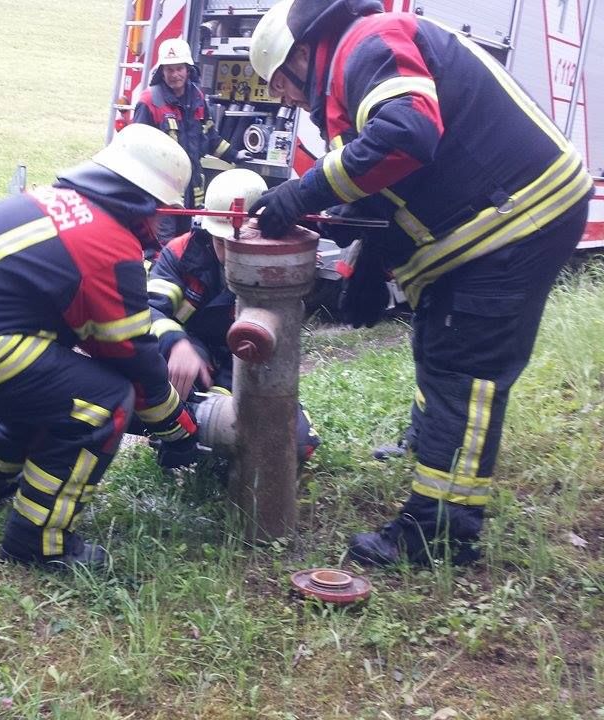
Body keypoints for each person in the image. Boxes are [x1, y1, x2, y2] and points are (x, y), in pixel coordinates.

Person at [247, 0, 594, 566]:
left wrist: (301, 192)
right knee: (437, 338)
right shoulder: (354, 75)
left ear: (302, 54)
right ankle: (433, 442)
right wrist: (365, 262)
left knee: (463, 367)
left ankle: (440, 531)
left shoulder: (369, 43)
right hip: (494, 223)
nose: (282, 96)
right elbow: (387, 182)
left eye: (280, 82)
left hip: (517, 221)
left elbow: (407, 135)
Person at [0, 124, 199, 570]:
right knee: (103, 401)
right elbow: (132, 356)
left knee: (54, 383)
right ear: (147, 203)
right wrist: (176, 426)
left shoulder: (57, 202)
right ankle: (38, 541)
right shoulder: (106, 241)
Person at [147, 168, 320, 462]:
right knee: (154, 383)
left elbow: (271, 344)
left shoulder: (276, 267)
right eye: (222, 243)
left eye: (240, 245)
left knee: (300, 443)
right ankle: (179, 433)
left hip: (253, 365)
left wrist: (225, 395)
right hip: (193, 357)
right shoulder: (180, 253)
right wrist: (176, 343)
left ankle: (207, 431)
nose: (230, 255)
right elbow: (147, 309)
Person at [132, 38, 238, 245]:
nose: (175, 75)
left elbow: (210, 137)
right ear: (161, 71)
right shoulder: (149, 101)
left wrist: (235, 155)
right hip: (162, 196)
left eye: (179, 68)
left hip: (191, 195)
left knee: (187, 246)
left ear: (188, 69)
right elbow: (137, 149)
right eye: (169, 70)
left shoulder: (197, 98)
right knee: (163, 249)